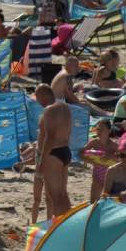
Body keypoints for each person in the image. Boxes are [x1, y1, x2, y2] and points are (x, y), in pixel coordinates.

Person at [34, 84, 73, 222]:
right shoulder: (65, 108)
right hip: (65, 151)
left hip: (53, 154)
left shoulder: (49, 110)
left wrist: (42, 162)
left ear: (44, 95)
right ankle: (68, 223)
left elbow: (50, 137)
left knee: (54, 196)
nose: (37, 100)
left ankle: (60, 228)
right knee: (62, 194)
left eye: (37, 96)